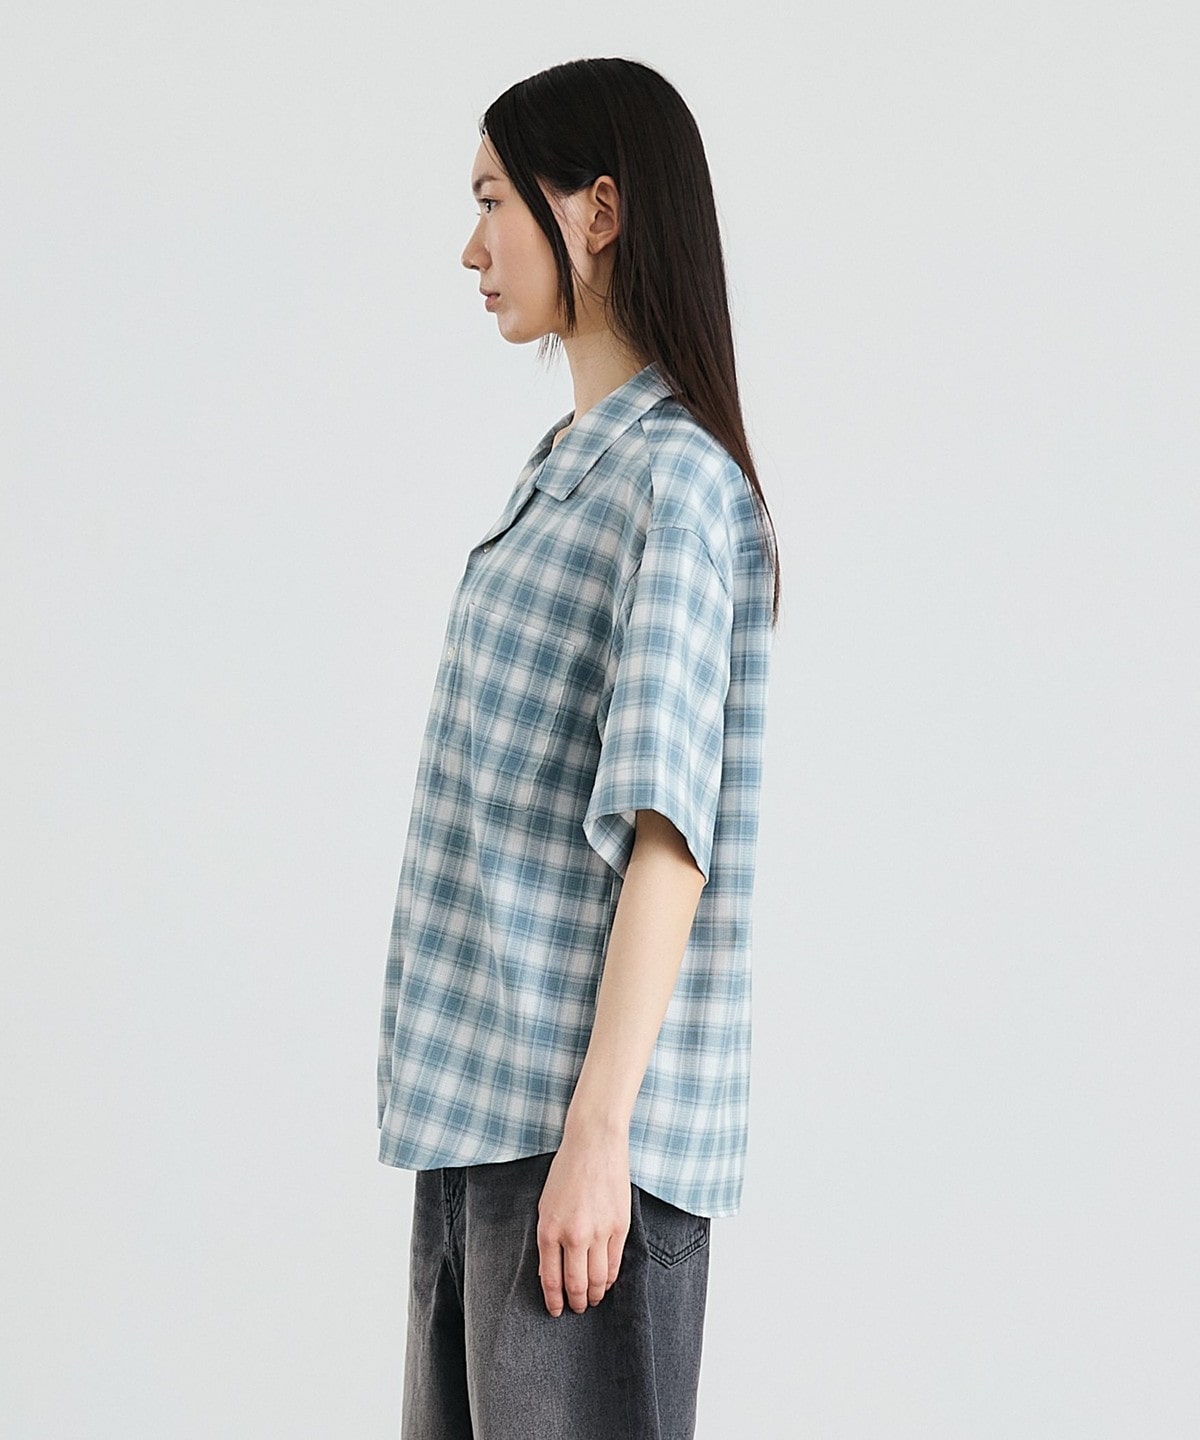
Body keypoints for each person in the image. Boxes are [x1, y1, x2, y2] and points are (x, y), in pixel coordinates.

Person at [376, 56, 780, 1440]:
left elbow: (669, 836)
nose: (472, 246)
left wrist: (599, 1135)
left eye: (495, 200)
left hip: (578, 1152)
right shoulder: (567, 469)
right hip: (483, 1132)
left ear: (596, 213)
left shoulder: (675, 482)